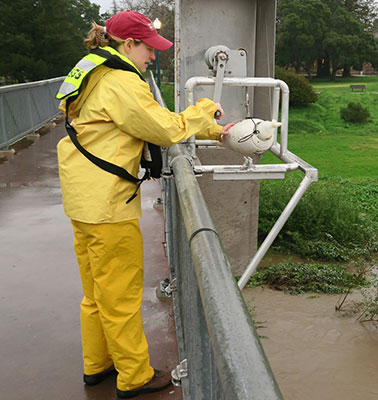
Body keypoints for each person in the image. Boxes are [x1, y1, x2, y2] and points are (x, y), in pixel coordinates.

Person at [55, 10, 233, 399]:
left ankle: (97, 364)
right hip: (107, 205)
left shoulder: (95, 73)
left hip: (82, 198)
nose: (153, 57)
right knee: (119, 295)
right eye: (148, 48)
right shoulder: (120, 81)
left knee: (96, 292)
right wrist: (204, 112)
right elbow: (166, 129)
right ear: (128, 44)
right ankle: (134, 377)